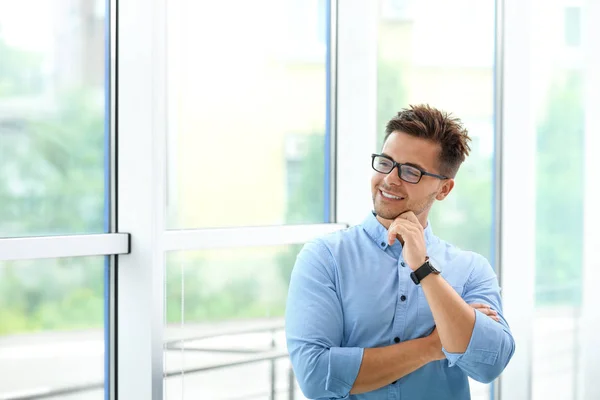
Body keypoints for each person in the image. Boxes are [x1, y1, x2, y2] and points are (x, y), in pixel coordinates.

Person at [284, 105, 515, 399]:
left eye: (411, 171)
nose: (390, 179)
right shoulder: (324, 258)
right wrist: (432, 347)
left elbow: (489, 364)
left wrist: (423, 268)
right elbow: (316, 376)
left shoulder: (470, 270)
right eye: (385, 162)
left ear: (444, 189)